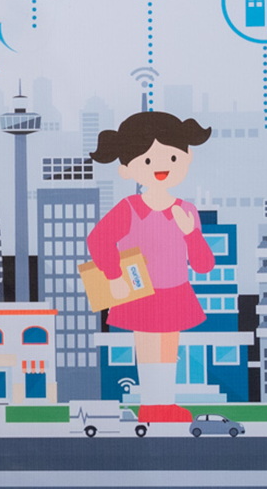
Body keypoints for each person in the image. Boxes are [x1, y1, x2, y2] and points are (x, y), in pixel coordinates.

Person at [84, 112, 216, 412]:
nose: (161, 167)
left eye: (172, 158)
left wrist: (191, 233)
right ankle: (151, 406)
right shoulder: (129, 208)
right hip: (140, 290)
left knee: (168, 349)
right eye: (146, 161)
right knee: (147, 349)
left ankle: (164, 404)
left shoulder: (186, 210)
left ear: (187, 156)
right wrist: (115, 276)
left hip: (177, 290)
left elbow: (204, 265)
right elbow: (98, 241)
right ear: (126, 170)